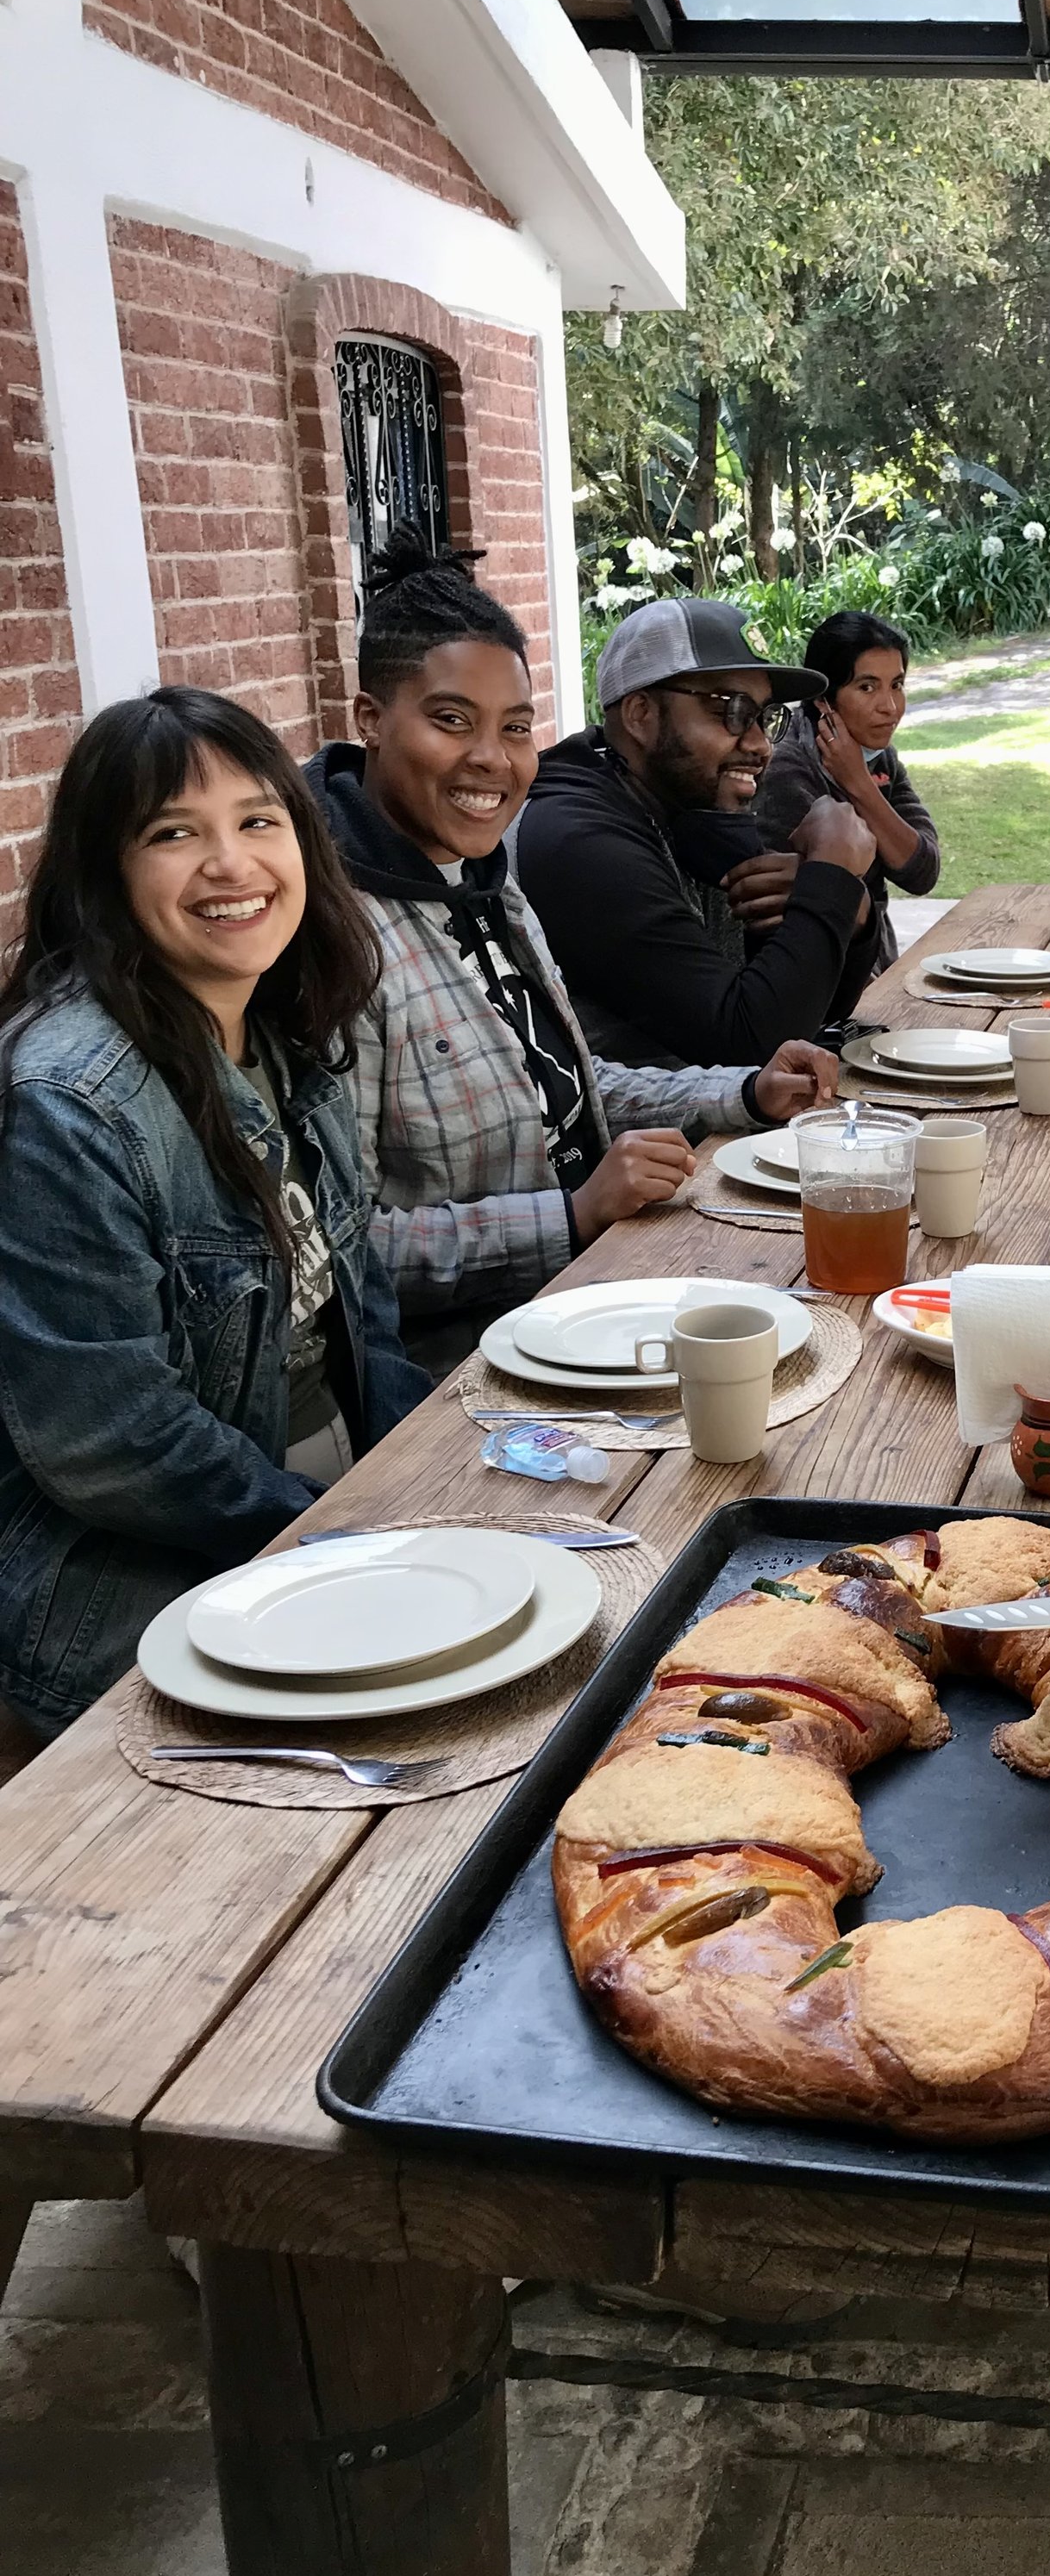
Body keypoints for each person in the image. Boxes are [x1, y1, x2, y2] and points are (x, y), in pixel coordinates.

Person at [0, 688, 429, 1732]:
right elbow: (108, 1439)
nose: (231, 864)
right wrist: (338, 1542)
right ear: (107, 872)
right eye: (173, 834)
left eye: (257, 821)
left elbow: (356, 1305)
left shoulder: (282, 1036)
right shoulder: (67, 1100)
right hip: (135, 1578)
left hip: (310, 1510)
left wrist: (435, 1482)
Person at [310, 541, 836, 1370]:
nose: (493, 757)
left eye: (516, 727)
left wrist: (743, 1090)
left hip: (595, 1289)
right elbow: (343, 1250)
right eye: (452, 720)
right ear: (370, 720)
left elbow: (564, 1087)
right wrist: (572, 1213)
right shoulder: (331, 937)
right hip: (464, 1369)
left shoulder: (484, 879)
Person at [517, 596, 882, 1069]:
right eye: (730, 711)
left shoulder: (684, 806)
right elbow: (748, 1040)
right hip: (622, 1138)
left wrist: (847, 906)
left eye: (764, 717)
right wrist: (831, 875)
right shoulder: (579, 840)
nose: (759, 744)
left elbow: (805, 1009)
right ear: (640, 714)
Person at [755, 610, 940, 986]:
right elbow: (792, 912)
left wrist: (859, 782)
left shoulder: (877, 758)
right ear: (824, 700)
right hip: (820, 980)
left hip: (874, 962)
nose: (890, 707)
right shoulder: (787, 769)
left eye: (897, 685)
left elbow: (922, 871)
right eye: (868, 687)